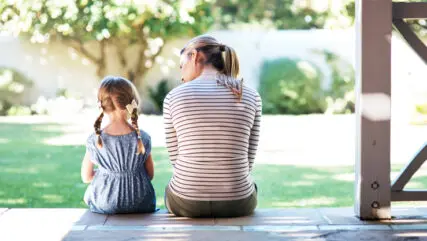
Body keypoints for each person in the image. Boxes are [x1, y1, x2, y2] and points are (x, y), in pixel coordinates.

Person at [163, 35, 262, 218]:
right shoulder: (251, 95)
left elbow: (175, 159)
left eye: (181, 65)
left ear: (194, 56)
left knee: (171, 189)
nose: (181, 74)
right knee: (251, 186)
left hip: (186, 203)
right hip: (238, 203)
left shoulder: (173, 97)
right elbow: (248, 160)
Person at [81, 76, 156, 214]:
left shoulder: (95, 139)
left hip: (106, 203)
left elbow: (86, 177)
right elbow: (150, 175)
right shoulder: (143, 138)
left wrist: (107, 174)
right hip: (141, 202)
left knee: (90, 194)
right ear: (131, 103)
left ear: (102, 105)